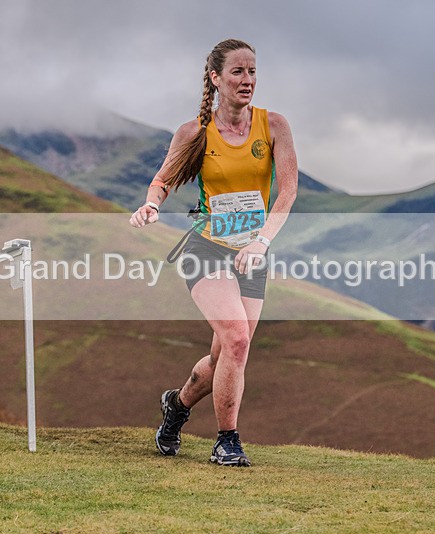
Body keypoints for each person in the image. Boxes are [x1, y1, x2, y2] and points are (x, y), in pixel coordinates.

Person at [129, 38, 298, 467]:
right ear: (215, 78)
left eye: (253, 72)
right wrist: (151, 205)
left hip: (251, 254)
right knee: (237, 339)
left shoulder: (274, 125)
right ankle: (228, 441)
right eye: (238, 72)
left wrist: (261, 243)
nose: (247, 80)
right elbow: (162, 180)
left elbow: (288, 193)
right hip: (205, 248)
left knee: (227, 353)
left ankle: (177, 406)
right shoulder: (195, 132)